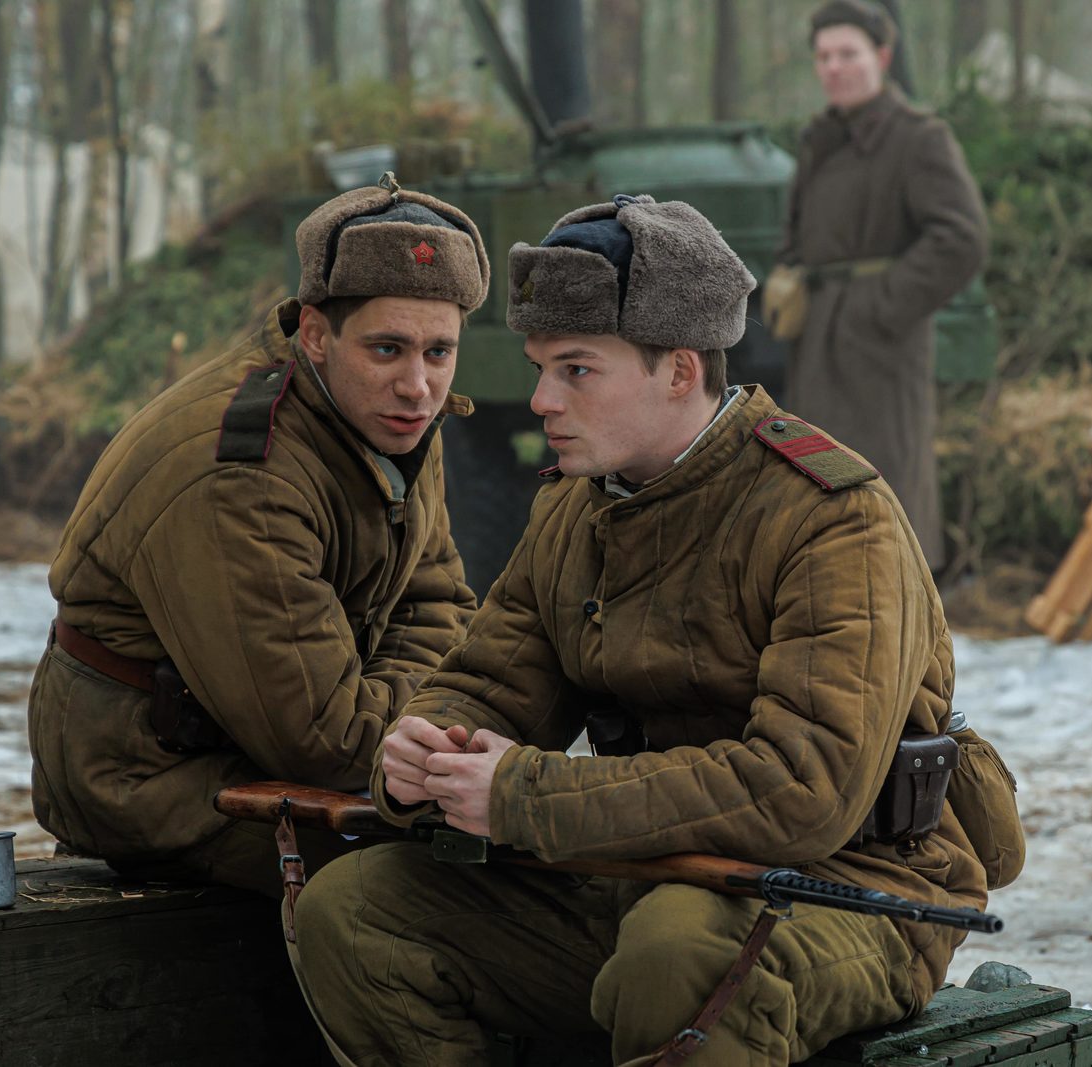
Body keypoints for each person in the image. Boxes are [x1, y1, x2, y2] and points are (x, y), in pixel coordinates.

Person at [291, 194, 999, 1066]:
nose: (541, 399)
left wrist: (521, 795)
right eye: (540, 367)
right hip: (639, 867)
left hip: (849, 886)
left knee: (679, 953)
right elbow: (489, 684)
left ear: (679, 370)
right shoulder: (573, 508)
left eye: (576, 369)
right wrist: (420, 753)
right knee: (355, 910)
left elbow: (801, 788)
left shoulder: (830, 519)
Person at [26, 179, 490, 895]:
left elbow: (436, 602)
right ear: (316, 335)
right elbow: (327, 740)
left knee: (508, 849)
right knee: (443, 890)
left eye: (439, 352)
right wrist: (437, 722)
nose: (418, 385)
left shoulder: (384, 417)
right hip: (158, 779)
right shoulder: (245, 473)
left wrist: (412, 720)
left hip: (291, 747)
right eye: (387, 348)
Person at [776, 0, 989, 573]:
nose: (834, 68)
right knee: (816, 486)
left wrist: (881, 306)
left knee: (882, 490)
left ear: (883, 58)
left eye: (848, 54)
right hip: (816, 337)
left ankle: (900, 613)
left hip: (879, 346)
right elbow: (797, 233)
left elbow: (962, 238)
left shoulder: (918, 137)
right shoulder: (820, 138)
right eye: (824, 57)